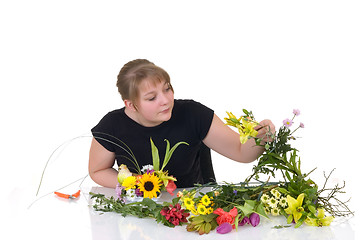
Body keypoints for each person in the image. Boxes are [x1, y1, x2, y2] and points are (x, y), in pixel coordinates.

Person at [89, 59, 275, 188]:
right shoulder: (111, 125)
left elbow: (241, 152)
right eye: (152, 97)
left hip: (192, 207)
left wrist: (260, 137)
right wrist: (135, 184)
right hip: (138, 210)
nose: (165, 100)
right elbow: (98, 170)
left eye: (167, 89)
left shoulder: (193, 114)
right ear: (131, 105)